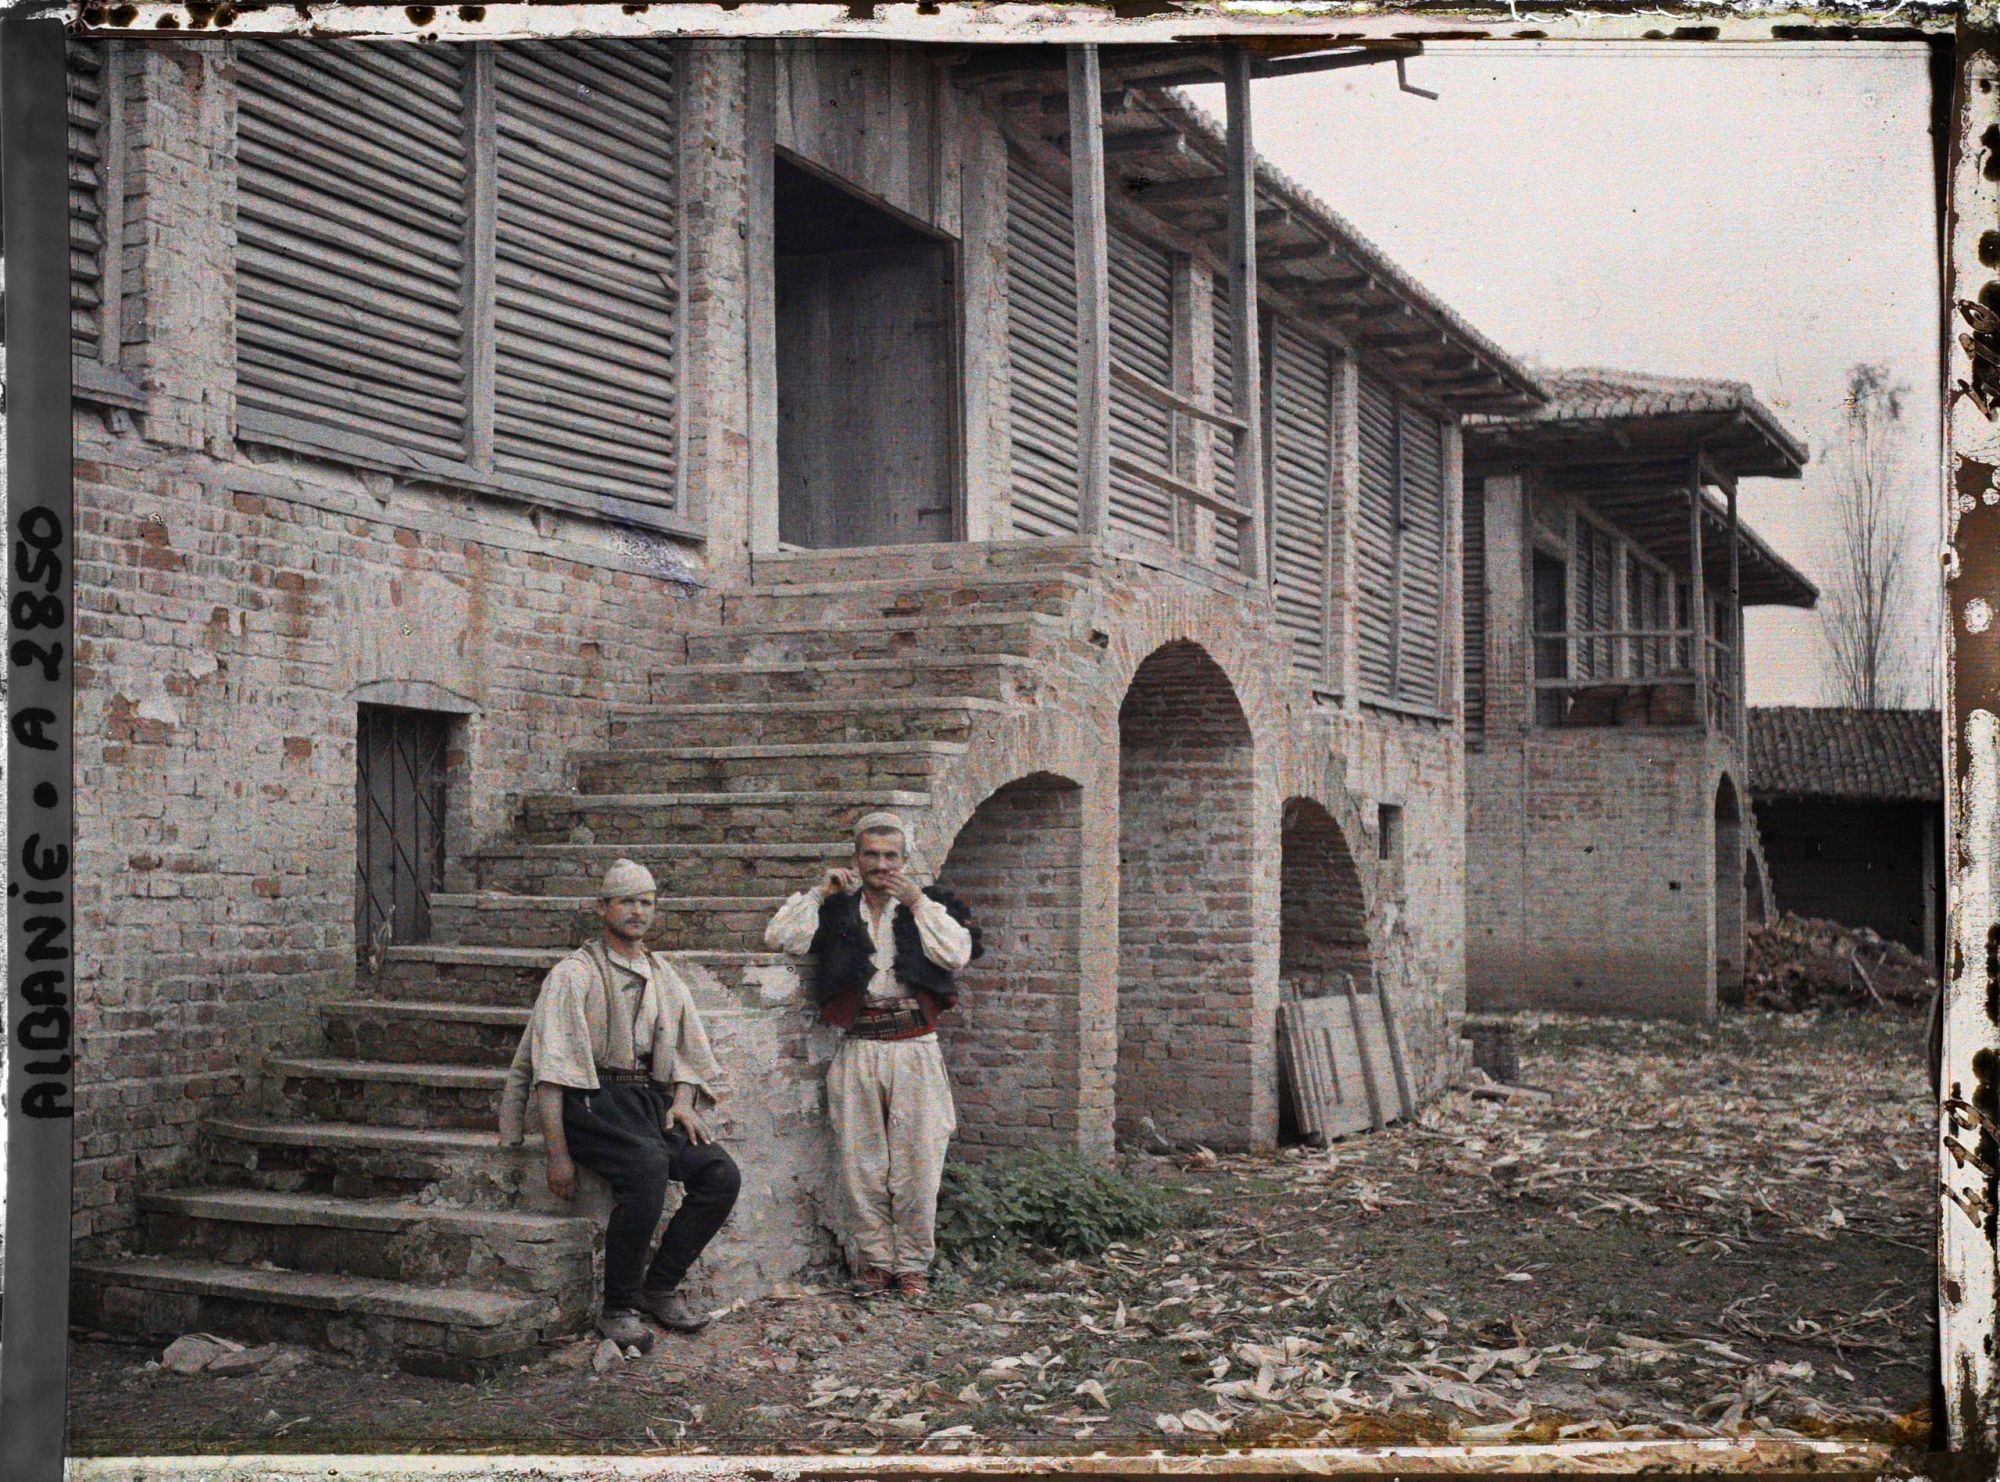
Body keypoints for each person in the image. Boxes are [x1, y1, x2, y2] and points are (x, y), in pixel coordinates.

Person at [497, 859, 741, 1351]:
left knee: (719, 1173)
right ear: (602, 907)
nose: (637, 911)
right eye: (626, 901)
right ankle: (619, 1307)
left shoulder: (661, 974)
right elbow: (553, 1069)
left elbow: (686, 1053)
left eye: (646, 902)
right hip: (589, 1099)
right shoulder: (575, 974)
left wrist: (683, 1101)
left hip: (643, 1101)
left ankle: (660, 1286)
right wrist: (557, 1154)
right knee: (648, 1167)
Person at [764, 811, 981, 1299]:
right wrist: (820, 893)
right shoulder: (839, 908)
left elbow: (955, 955)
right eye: (871, 855)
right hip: (860, 1045)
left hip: (915, 1048)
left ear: (905, 860)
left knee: (919, 1162)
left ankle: (913, 1267)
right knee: (862, 1163)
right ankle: (876, 1263)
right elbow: (779, 938)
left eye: (891, 856)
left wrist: (919, 902)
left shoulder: (929, 906)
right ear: (857, 859)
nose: (882, 865)